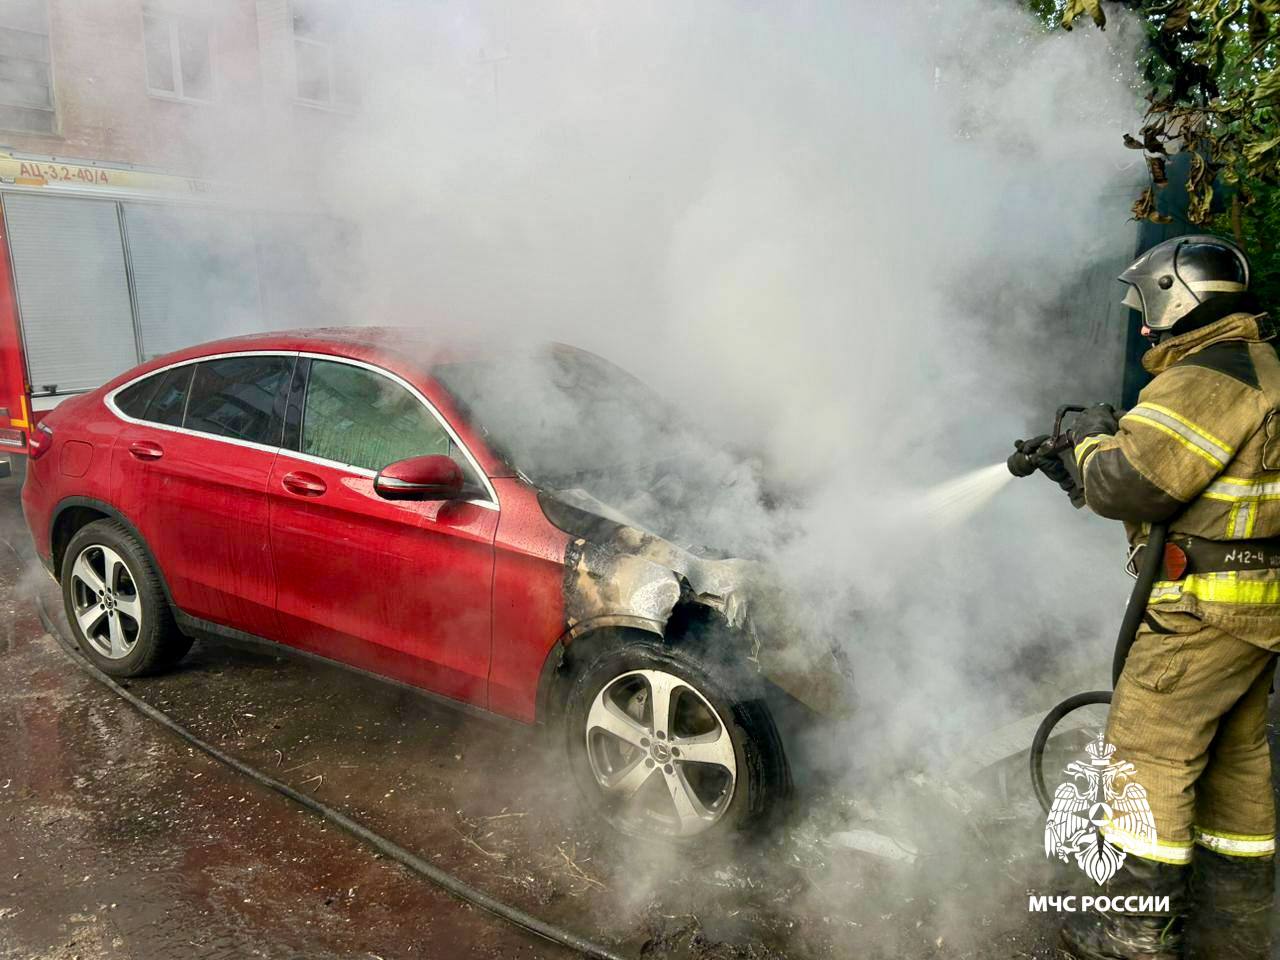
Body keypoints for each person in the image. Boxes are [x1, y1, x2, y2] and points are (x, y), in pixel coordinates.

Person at [1048, 235, 1277, 960]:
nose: (1145, 327)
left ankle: (1133, 936)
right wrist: (1085, 468)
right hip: (1257, 606)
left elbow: (1130, 484)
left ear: (1182, 300)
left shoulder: (1205, 378)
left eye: (1150, 308)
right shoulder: (1265, 365)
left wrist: (1089, 445)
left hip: (1203, 609)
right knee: (1236, 755)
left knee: (1148, 752)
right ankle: (1235, 924)